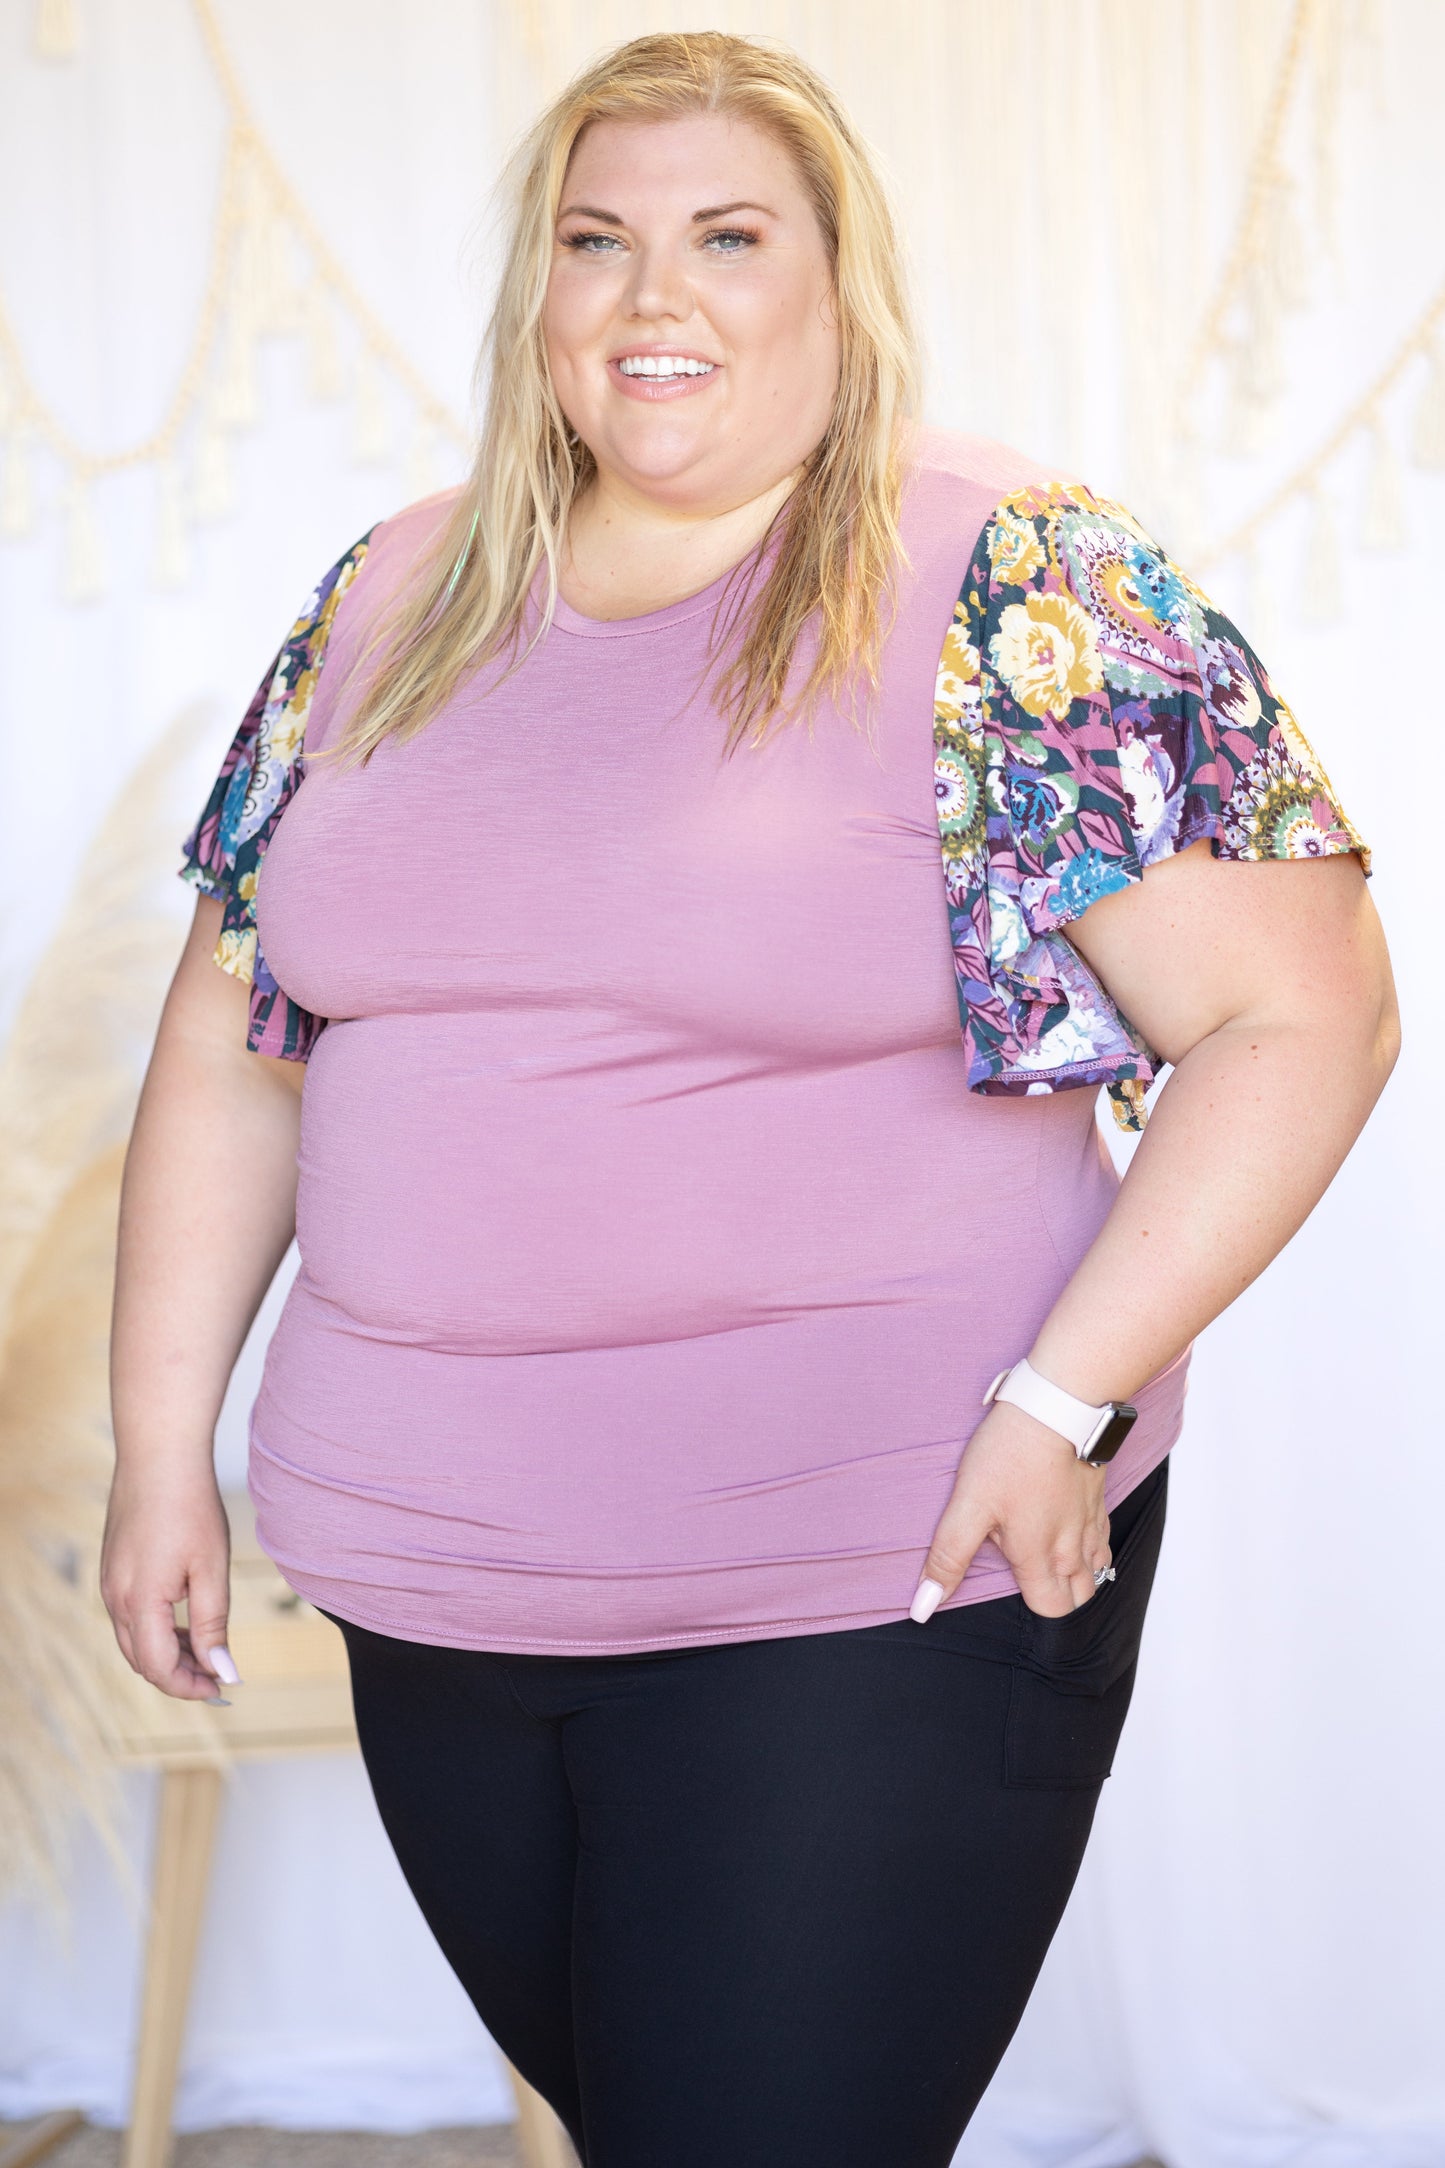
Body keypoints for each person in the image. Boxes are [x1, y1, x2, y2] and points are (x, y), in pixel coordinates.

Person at [103, 30, 1398, 2168]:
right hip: (432, 1581)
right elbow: (231, 1045)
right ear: (537, 291)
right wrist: (162, 1451)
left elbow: (1305, 1016)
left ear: (835, 283)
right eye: (593, 240)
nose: (652, 297)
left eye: (726, 238)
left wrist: (1063, 1400)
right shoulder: (391, 594)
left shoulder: (1015, 580)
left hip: (870, 1571)